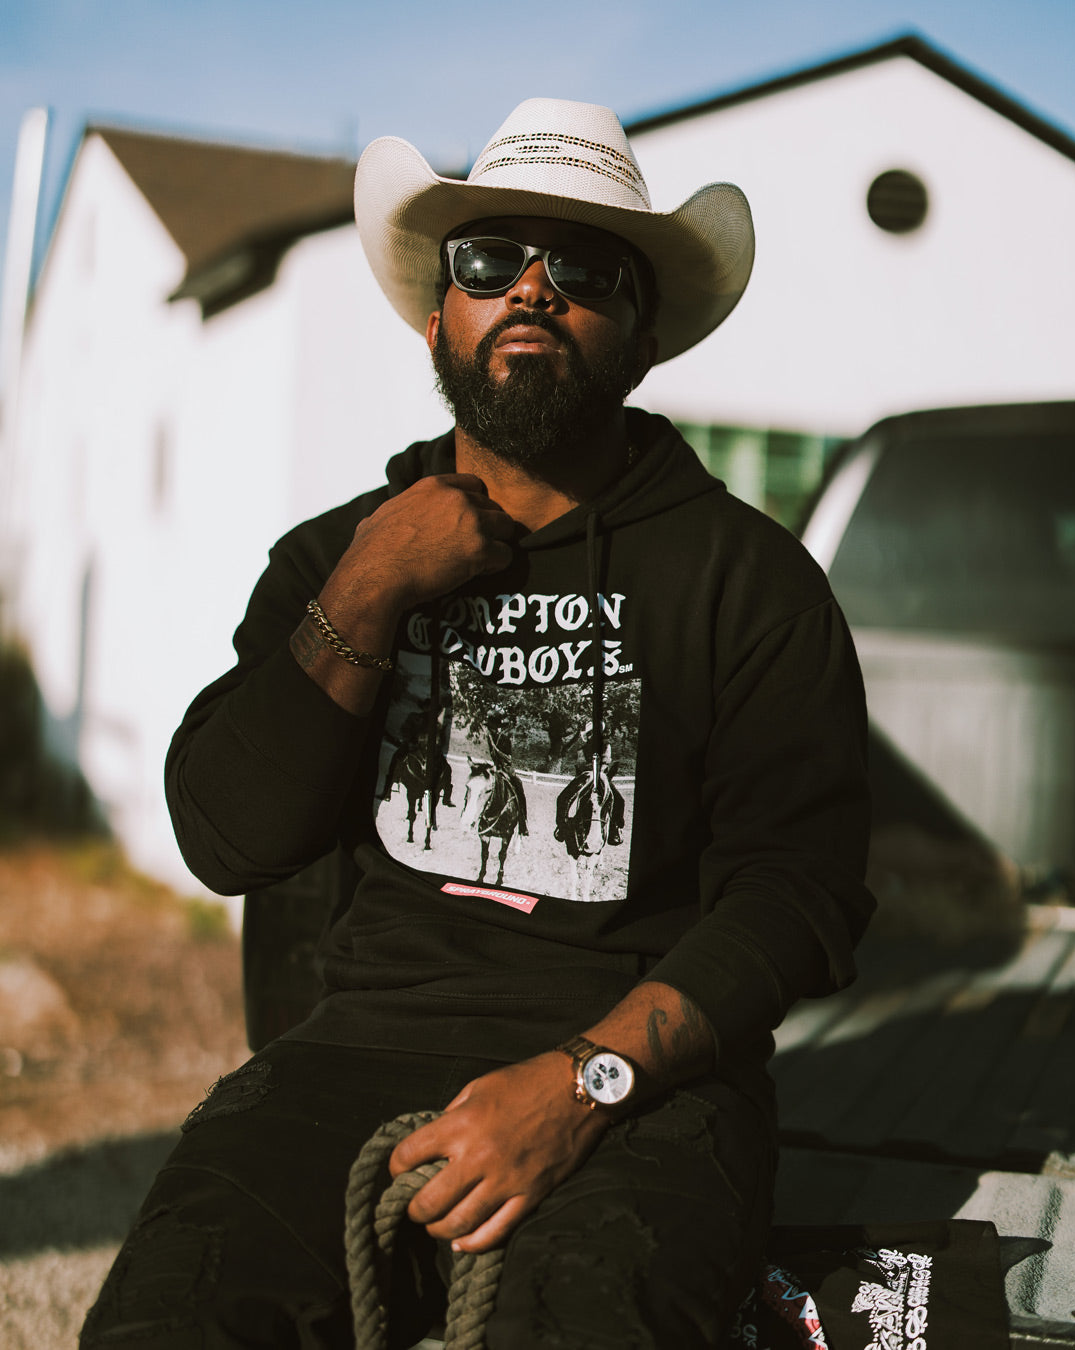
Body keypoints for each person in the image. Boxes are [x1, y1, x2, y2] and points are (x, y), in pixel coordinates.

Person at [81, 98, 874, 1349]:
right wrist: (370, 588)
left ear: (644, 337)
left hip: (639, 1091)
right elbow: (229, 839)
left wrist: (582, 1085)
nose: (533, 289)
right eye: (492, 258)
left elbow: (796, 895)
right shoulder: (336, 560)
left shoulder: (748, 580)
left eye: (587, 268)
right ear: (437, 312)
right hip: (351, 1057)